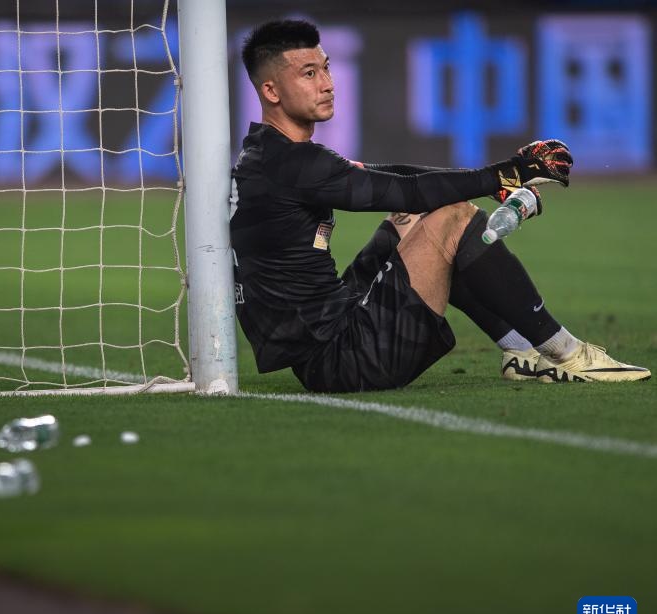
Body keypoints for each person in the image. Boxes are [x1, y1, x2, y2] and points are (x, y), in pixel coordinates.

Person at [230, 19, 650, 392]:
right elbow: (410, 190)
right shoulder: (292, 164)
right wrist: (510, 173)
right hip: (344, 358)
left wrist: (494, 182)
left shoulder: (269, 155)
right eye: (309, 73)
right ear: (271, 90)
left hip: (329, 332)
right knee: (452, 216)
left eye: (326, 68)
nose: (327, 83)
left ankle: (520, 351)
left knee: (413, 216)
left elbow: (390, 177)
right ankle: (567, 353)